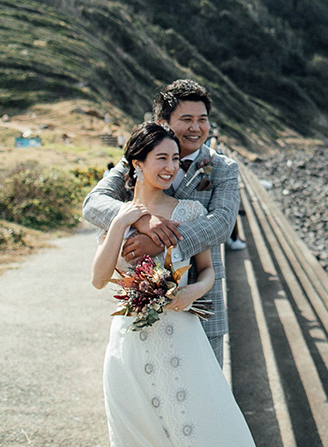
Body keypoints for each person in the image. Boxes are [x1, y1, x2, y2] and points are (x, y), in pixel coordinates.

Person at [91, 121, 254, 447]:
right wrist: (123, 219)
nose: (170, 168)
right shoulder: (118, 214)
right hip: (129, 340)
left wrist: (195, 289)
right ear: (137, 163)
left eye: (175, 159)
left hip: (182, 334)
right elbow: (99, 279)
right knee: (137, 428)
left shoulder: (190, 210)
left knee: (194, 422)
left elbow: (206, 270)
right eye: (161, 158)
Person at [83, 79, 240, 363]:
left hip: (200, 303)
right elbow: (93, 203)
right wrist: (144, 219)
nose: (196, 128)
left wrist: (158, 240)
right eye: (186, 119)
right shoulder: (138, 158)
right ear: (163, 121)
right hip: (143, 313)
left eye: (202, 119)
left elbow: (223, 223)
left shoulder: (223, 168)